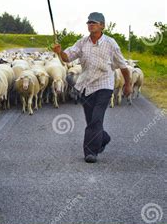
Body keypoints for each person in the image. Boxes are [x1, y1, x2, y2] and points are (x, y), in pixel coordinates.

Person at [53, 12, 131, 163]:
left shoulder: (111, 44)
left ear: (102, 25)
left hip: (104, 85)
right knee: (91, 121)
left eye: (94, 22)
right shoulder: (82, 42)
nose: (90, 25)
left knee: (96, 119)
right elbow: (67, 57)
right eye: (89, 22)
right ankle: (104, 137)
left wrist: (128, 84)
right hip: (86, 86)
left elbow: (123, 66)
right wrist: (59, 52)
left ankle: (90, 152)